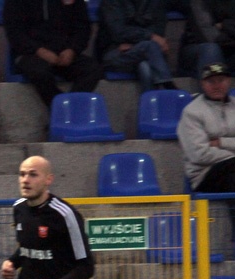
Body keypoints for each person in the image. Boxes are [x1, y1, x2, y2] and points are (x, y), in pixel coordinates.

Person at [3, 0, 104, 108]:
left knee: (93, 69)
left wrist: (72, 50)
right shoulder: (15, 2)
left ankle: (68, 110)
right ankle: (63, 111)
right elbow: (15, 33)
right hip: (31, 54)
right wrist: (39, 51)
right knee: (39, 72)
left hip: (65, 54)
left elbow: (83, 29)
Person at [177, 62, 235, 245]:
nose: (217, 85)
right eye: (211, 81)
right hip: (205, 174)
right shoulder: (192, 112)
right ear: (203, 84)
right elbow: (199, 154)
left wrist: (222, 142)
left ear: (229, 82)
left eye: (221, 80)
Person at [94, 0, 178, 92]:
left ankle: (151, 102)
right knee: (149, 46)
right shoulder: (111, 2)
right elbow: (118, 32)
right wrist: (150, 36)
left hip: (144, 53)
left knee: (145, 67)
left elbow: (158, 28)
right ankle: (168, 85)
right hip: (114, 51)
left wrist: (139, 42)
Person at [178, 0, 235, 79]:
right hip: (197, 49)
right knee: (211, 49)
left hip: (229, 48)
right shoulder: (198, 2)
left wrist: (224, 24)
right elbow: (207, 36)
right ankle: (214, 89)